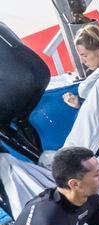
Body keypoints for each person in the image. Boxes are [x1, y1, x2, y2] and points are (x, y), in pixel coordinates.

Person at [0, 21, 50, 163]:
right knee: (21, 118)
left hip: (17, 80)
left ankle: (42, 164)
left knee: (1, 125)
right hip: (40, 72)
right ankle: (43, 159)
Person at [62, 25, 99, 109]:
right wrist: (78, 105)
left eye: (85, 56)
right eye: (80, 56)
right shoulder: (91, 73)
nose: (82, 61)